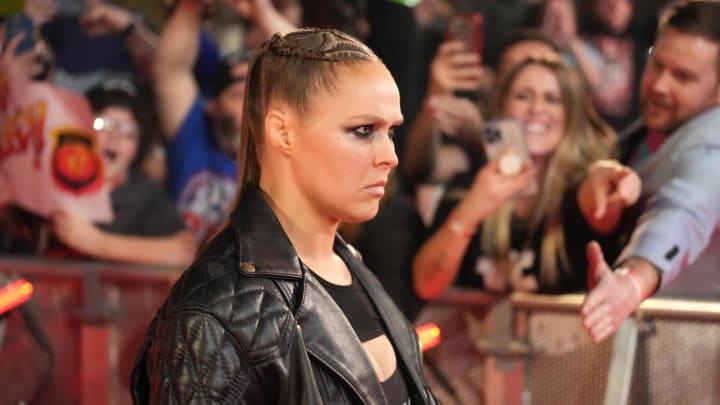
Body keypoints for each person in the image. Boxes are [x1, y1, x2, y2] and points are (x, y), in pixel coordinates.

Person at [130, 28, 439, 404]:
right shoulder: (216, 309)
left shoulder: (353, 269)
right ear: (282, 132)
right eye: (362, 130)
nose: (389, 155)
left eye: (391, 132)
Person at [412, 54, 639, 300]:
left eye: (552, 99)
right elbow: (426, 285)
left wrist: (617, 182)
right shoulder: (470, 184)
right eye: (523, 96)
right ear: (502, 108)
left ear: (571, 115)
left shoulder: (580, 187)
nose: (536, 109)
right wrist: (472, 209)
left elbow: (602, 202)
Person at [580, 0, 720, 344]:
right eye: (657, 65)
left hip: (689, 356)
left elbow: (684, 210)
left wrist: (633, 280)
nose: (659, 85)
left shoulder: (711, 145)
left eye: (683, 77)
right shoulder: (647, 133)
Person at [153, 0, 296, 242]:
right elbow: (169, 72)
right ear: (213, 105)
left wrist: (261, 10)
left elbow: (312, 68)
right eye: (241, 95)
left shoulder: (289, 153)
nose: (253, 106)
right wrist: (191, 6)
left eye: (262, 96)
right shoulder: (195, 138)